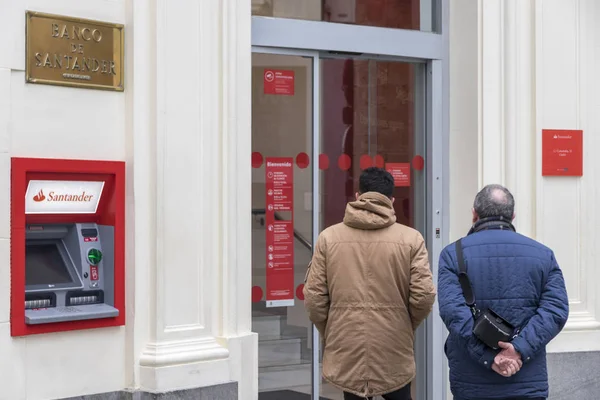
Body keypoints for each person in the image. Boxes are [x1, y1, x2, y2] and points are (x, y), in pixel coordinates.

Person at [303, 167, 436, 400]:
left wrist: (332, 328)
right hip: (394, 343)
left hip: (346, 340)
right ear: (392, 200)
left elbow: (314, 299)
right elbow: (424, 296)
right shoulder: (411, 239)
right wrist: (404, 323)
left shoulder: (329, 238)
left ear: (357, 196)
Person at [438, 184, 569, 400]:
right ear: (513, 216)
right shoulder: (543, 254)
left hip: (472, 380)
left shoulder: (453, 254)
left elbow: (453, 313)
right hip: (525, 378)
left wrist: (490, 357)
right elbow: (555, 310)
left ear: (474, 214)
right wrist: (517, 350)